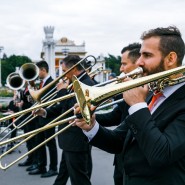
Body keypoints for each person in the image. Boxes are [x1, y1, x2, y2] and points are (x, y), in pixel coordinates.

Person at [74, 26, 185, 185]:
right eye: (140, 55)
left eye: (147, 55)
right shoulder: (152, 95)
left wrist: (138, 105)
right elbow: (119, 140)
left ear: (171, 59)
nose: (139, 62)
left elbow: (162, 154)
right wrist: (91, 127)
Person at [35, 55, 95, 185]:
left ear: (73, 68)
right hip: (69, 141)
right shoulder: (75, 81)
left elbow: (75, 110)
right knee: (63, 175)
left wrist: (62, 92)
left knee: (79, 180)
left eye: (64, 71)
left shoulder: (86, 83)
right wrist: (44, 111)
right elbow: (63, 108)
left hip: (76, 141)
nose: (63, 75)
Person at [96, 43, 141, 185]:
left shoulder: (144, 91)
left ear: (138, 64)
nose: (121, 68)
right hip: (121, 158)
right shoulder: (128, 88)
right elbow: (116, 116)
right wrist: (90, 119)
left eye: (123, 64)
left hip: (136, 164)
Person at [28, 60, 58, 178]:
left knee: (50, 144)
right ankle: (41, 166)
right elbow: (39, 99)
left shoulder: (52, 82)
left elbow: (53, 102)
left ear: (43, 70)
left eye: (37, 71)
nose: (36, 74)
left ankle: (53, 168)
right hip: (40, 118)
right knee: (39, 143)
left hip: (48, 117)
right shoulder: (41, 83)